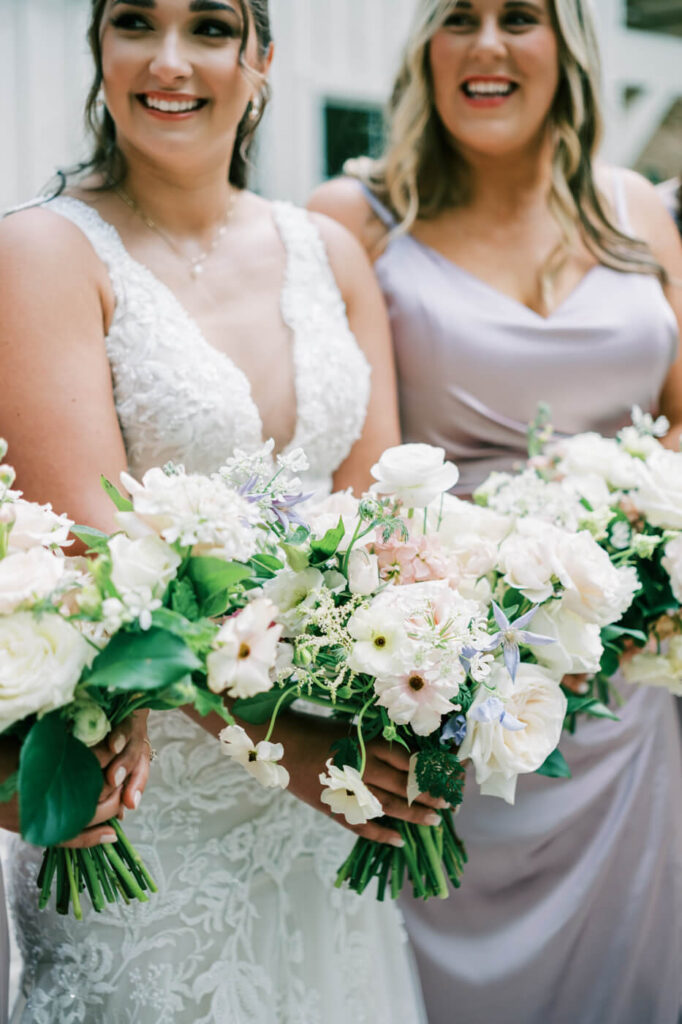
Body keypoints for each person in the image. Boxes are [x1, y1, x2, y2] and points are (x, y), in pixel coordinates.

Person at [0, 1, 433, 1020]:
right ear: (99, 50)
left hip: (333, 792)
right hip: (153, 799)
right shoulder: (40, 254)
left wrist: (419, 699)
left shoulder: (330, 251)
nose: (168, 61)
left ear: (261, 58)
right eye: (134, 24)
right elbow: (102, 574)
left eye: (208, 28)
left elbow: (389, 523)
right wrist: (290, 751)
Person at [309, 1, 682, 1022]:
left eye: (519, 15)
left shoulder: (637, 213)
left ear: (565, 45)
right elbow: (357, 474)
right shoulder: (355, 219)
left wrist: (648, 548)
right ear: (422, 46)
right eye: (456, 17)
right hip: (449, 685)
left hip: (629, 703)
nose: (485, 45)